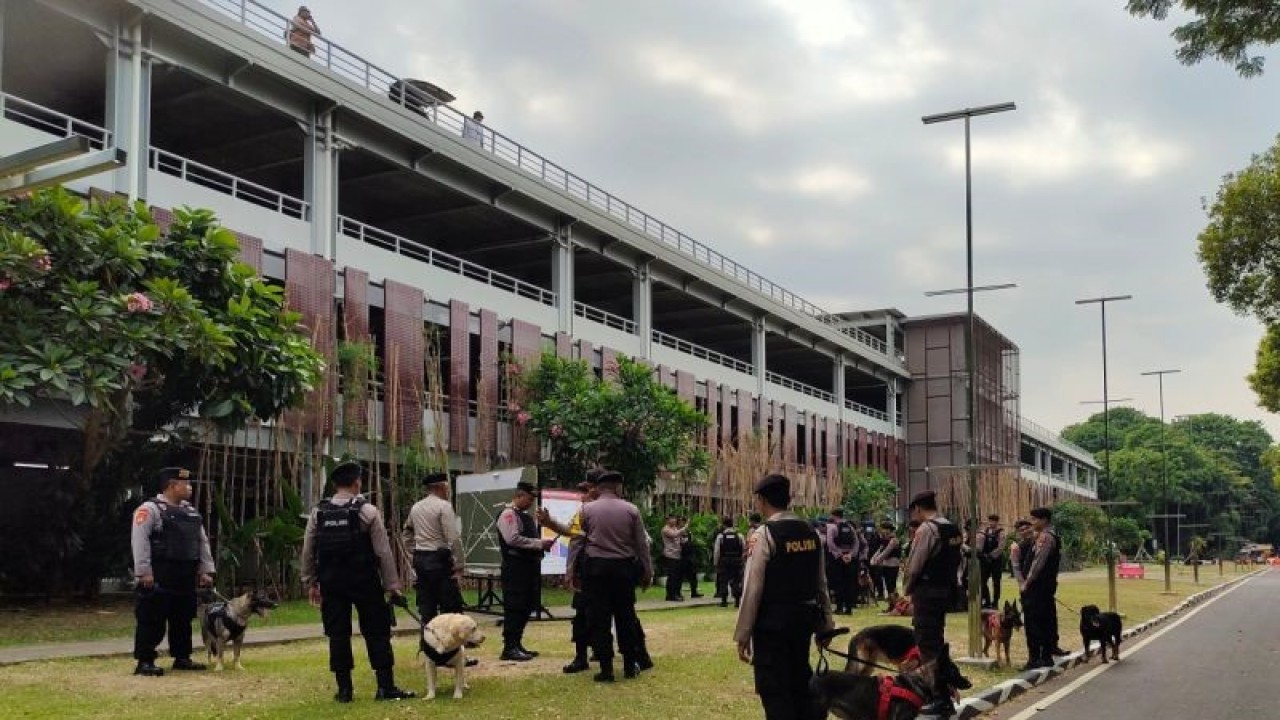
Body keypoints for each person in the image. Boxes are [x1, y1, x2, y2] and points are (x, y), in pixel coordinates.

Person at [301, 462, 414, 703]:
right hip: (365, 582)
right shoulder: (368, 512)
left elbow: (308, 550)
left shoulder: (318, 512)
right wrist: (392, 586)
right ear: (357, 483)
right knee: (376, 633)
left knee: (337, 635)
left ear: (335, 485)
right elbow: (383, 552)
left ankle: (344, 691)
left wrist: (310, 581)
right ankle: (385, 687)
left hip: (331, 583)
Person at [735, 474, 834, 720]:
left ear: (762, 500)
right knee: (800, 684)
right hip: (803, 621)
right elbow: (821, 583)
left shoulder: (764, 534)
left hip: (772, 625)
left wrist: (743, 634)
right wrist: (826, 625)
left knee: (775, 689)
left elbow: (752, 588)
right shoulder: (811, 531)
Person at [568, 469, 653, 682]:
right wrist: (647, 571)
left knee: (600, 619)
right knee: (625, 617)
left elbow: (576, 542)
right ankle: (629, 665)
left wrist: (570, 571)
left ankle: (606, 669)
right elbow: (642, 545)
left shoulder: (585, 510)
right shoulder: (632, 510)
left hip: (595, 570)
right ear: (618, 487)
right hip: (623, 570)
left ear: (600, 488)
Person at [130, 466, 215, 676]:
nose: (190, 487)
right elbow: (139, 541)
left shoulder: (191, 512)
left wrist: (206, 570)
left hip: (185, 573)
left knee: (183, 618)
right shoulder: (149, 509)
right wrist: (144, 572)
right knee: (152, 618)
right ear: (172, 486)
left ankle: (182, 657)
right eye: (185, 484)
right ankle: (145, 660)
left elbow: (202, 543)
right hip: (159, 573)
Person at [902, 489, 966, 716]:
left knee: (927, 644)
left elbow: (915, 565)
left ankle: (940, 697)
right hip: (945, 592)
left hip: (927, 593)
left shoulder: (927, 530)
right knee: (937, 641)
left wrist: (907, 589)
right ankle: (945, 690)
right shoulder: (952, 527)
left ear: (918, 508)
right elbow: (960, 561)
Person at [540, 471, 600, 673]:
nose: (582, 494)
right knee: (583, 615)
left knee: (606, 614)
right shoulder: (583, 512)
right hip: (585, 571)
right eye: (582, 491)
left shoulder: (601, 512)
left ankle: (627, 654)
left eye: (586, 490)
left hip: (596, 570)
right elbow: (571, 531)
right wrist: (550, 523)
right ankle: (583, 655)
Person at [497, 481, 554, 661]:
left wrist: (541, 546)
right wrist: (539, 544)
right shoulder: (508, 514)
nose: (531, 503)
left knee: (526, 606)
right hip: (515, 568)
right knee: (515, 607)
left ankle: (517, 643)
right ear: (519, 496)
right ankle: (509, 647)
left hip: (528, 568)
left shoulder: (524, 516)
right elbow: (512, 539)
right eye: (529, 499)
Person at [402, 472, 464, 623]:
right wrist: (460, 564)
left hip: (421, 559)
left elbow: (407, 533)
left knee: (427, 605)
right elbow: (453, 537)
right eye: (447, 487)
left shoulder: (416, 507)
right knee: (450, 605)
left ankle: (428, 643)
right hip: (439, 560)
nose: (448, 491)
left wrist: (414, 552)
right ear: (441, 487)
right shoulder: (444, 506)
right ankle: (450, 644)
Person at [1020, 507, 1064, 669]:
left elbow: (1038, 563)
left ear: (1044, 520)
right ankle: (1045, 656)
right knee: (1045, 621)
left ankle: (1036, 658)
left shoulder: (1045, 538)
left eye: (1035, 519)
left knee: (1034, 622)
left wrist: (1027, 582)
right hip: (1045, 587)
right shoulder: (1044, 536)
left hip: (1038, 587)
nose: (1032, 523)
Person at [825, 508, 861, 614]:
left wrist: (840, 555)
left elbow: (830, 543)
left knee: (838, 583)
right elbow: (856, 542)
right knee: (849, 583)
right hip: (850, 558)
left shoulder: (832, 527)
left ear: (833, 515)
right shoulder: (849, 526)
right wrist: (850, 555)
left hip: (838, 559)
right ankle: (849, 608)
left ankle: (839, 607)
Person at [713, 516, 745, 608]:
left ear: (724, 525)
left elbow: (717, 551)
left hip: (724, 561)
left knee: (723, 581)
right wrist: (742, 561)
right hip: (736, 561)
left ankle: (724, 601)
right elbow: (744, 549)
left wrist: (716, 563)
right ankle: (737, 601)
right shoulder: (739, 536)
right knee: (736, 580)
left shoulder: (720, 537)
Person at [977, 514, 1007, 609]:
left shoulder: (1001, 533)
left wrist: (991, 556)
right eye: (990, 521)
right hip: (985, 560)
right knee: (983, 581)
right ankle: (986, 600)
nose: (991, 523)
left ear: (997, 522)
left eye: (993, 521)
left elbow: (1001, 547)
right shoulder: (984, 532)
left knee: (996, 581)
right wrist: (983, 555)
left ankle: (995, 601)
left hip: (996, 561)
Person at [870, 522, 901, 599]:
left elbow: (886, 552)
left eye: (883, 529)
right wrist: (873, 559)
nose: (881, 531)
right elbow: (880, 550)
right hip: (886, 565)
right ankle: (892, 605)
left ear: (888, 530)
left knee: (891, 586)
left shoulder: (893, 540)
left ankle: (894, 605)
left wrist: (876, 561)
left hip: (893, 566)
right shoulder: (885, 540)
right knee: (888, 586)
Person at [678, 516, 703, 599]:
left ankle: (694, 591)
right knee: (680, 576)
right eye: (681, 522)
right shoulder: (678, 531)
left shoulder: (688, 532)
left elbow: (690, 541)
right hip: (681, 556)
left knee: (693, 575)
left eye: (684, 522)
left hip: (689, 555)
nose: (683, 523)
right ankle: (678, 592)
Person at [661, 514, 684, 601]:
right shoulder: (666, 529)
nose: (674, 520)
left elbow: (679, 537)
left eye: (675, 518)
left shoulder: (675, 528)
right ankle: (670, 595)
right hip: (670, 555)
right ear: (668, 520)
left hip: (678, 554)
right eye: (672, 519)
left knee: (678, 576)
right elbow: (675, 535)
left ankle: (677, 593)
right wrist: (684, 527)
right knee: (672, 576)